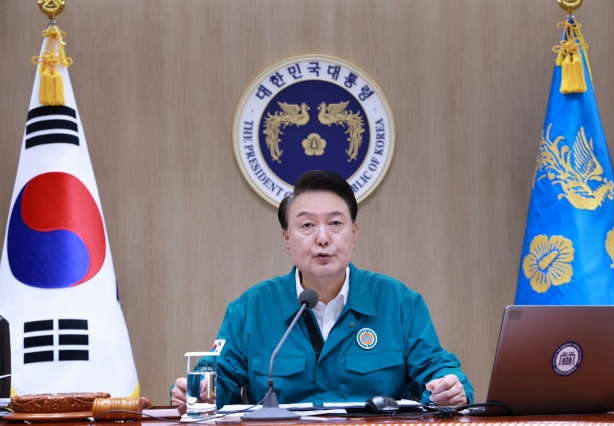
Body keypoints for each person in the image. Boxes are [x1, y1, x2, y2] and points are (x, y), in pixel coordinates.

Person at [172, 170, 473, 407]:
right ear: (287, 240)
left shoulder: (398, 303)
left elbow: (438, 368)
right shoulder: (251, 309)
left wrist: (452, 386)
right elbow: (216, 380)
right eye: (306, 226)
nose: (323, 238)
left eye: (335, 223)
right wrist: (193, 393)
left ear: (354, 234)